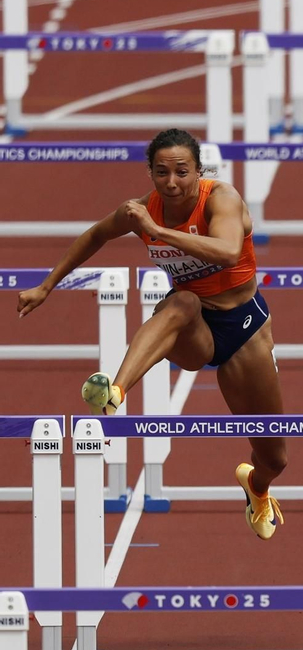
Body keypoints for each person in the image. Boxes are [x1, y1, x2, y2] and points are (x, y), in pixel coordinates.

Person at [16, 129, 287, 540]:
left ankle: (257, 486)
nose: (172, 182)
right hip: (193, 329)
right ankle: (115, 391)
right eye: (162, 172)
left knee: (275, 457)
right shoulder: (141, 210)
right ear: (150, 174)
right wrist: (46, 285)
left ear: (199, 171)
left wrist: (157, 233)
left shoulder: (222, 199)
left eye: (182, 171)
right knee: (182, 302)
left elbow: (229, 251)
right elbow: (94, 235)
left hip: (244, 330)